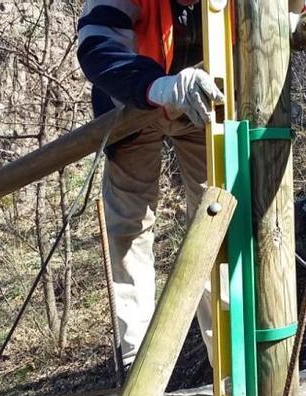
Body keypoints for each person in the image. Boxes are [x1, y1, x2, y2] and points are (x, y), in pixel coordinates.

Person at [77, 0, 224, 370]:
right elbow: (97, 45)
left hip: (203, 101)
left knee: (217, 217)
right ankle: (135, 364)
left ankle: (228, 364)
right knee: (128, 228)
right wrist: (158, 87)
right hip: (131, 103)